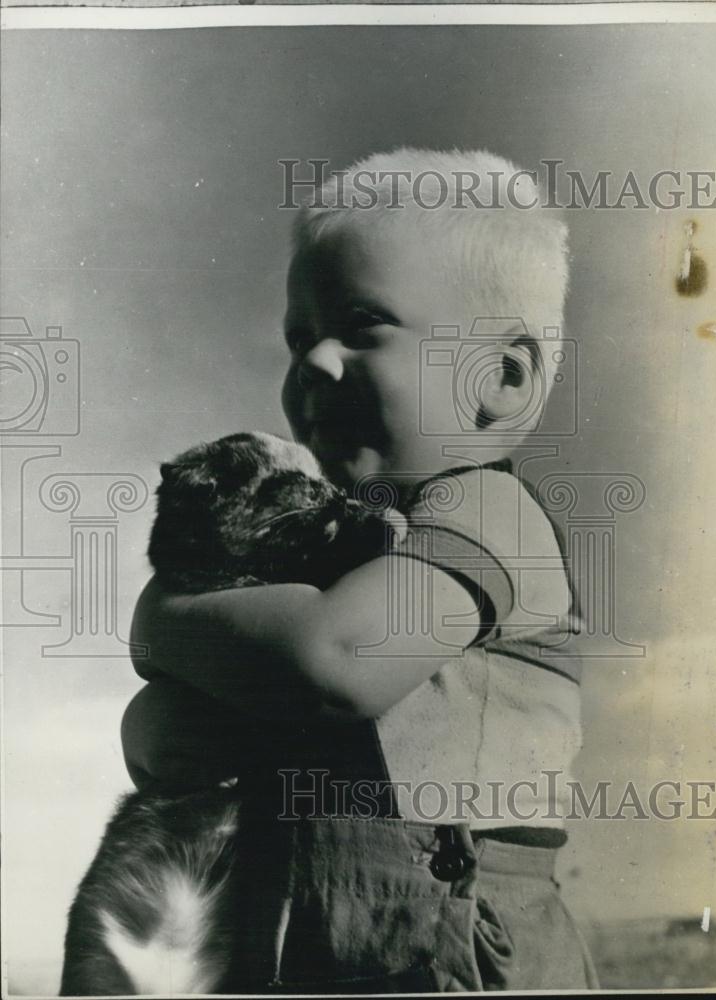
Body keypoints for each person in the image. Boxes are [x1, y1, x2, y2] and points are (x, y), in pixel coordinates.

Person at [122, 147, 599, 992]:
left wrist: (160, 620)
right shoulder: (337, 550)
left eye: (362, 325)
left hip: (446, 943)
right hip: (293, 936)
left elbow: (336, 666)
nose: (311, 361)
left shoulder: (488, 514)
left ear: (502, 379)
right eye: (300, 337)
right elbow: (179, 719)